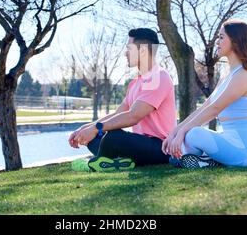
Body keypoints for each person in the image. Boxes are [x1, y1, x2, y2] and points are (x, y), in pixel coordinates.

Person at [162, 19, 247, 168]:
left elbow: (214, 109)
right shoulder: (226, 74)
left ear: (236, 41)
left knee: (193, 134)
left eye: (221, 37)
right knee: (189, 134)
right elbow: (205, 107)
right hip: (229, 141)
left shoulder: (243, 75)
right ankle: (206, 161)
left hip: (246, 151)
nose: (217, 42)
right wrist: (175, 131)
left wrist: (182, 133)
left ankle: (204, 160)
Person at [69, 28, 177, 172]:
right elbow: (118, 114)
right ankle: (116, 162)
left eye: (129, 48)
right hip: (139, 145)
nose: (125, 53)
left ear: (143, 51)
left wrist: (95, 128)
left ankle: (104, 162)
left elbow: (133, 116)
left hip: (161, 147)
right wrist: (87, 128)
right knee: (95, 137)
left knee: (114, 136)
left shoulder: (159, 77)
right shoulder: (135, 83)